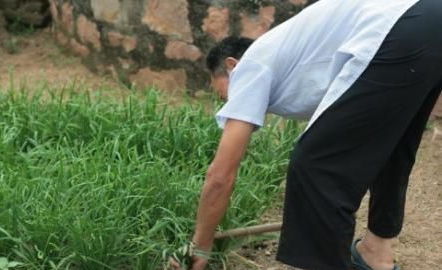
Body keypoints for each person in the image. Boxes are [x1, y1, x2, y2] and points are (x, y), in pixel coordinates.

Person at [171, 0, 442, 269]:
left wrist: (201, 243)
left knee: (315, 167)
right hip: (427, 17)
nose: (226, 102)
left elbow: (220, 175)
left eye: (220, 90)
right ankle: (375, 254)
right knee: (391, 145)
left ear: (231, 65)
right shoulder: (289, 50)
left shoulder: (248, 68)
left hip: (397, 25)